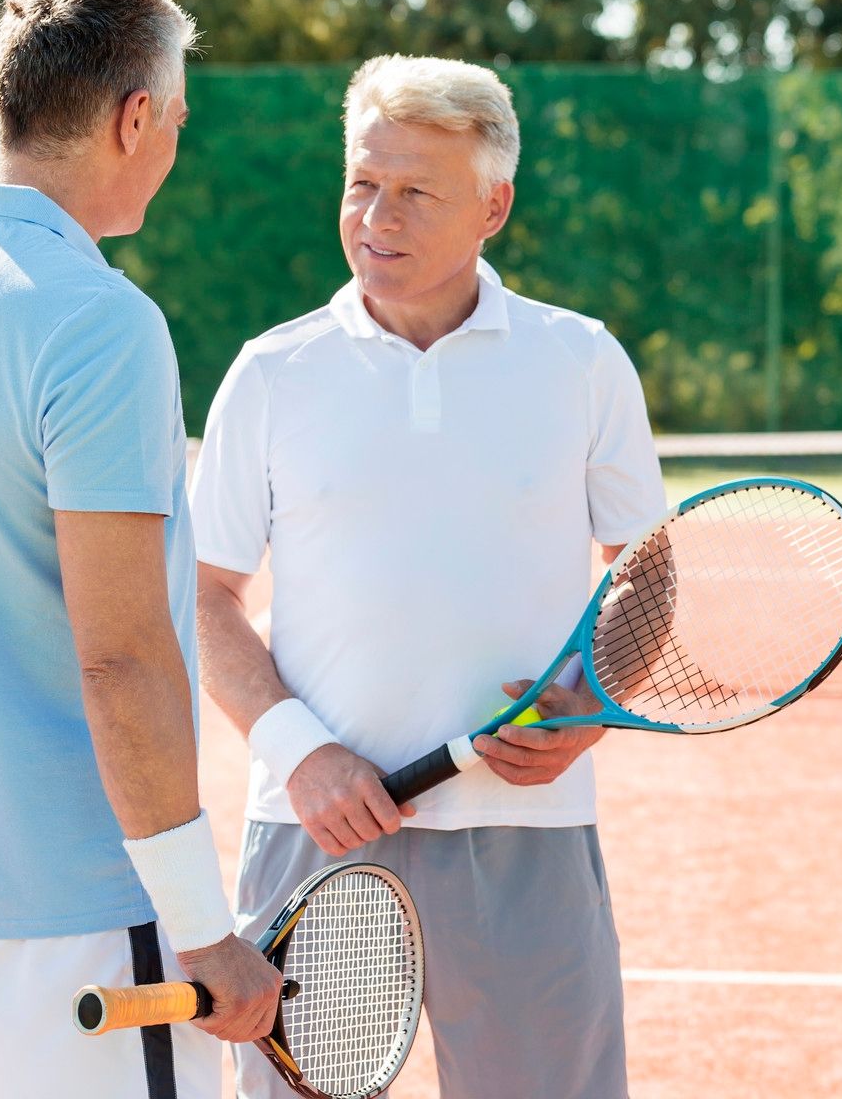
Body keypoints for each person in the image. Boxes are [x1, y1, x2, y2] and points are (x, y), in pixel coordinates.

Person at [0, 0, 280, 1099]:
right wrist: (202, 923)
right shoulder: (98, 320)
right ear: (137, 118)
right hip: (83, 916)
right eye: (176, 118)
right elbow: (123, 650)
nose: (175, 144)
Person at [190, 54, 667, 1099]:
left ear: (494, 205)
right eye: (363, 183)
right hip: (314, 830)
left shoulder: (581, 360)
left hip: (528, 833)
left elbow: (646, 570)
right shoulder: (273, 371)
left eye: (416, 190)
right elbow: (201, 595)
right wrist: (302, 751)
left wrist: (591, 702)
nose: (377, 215)